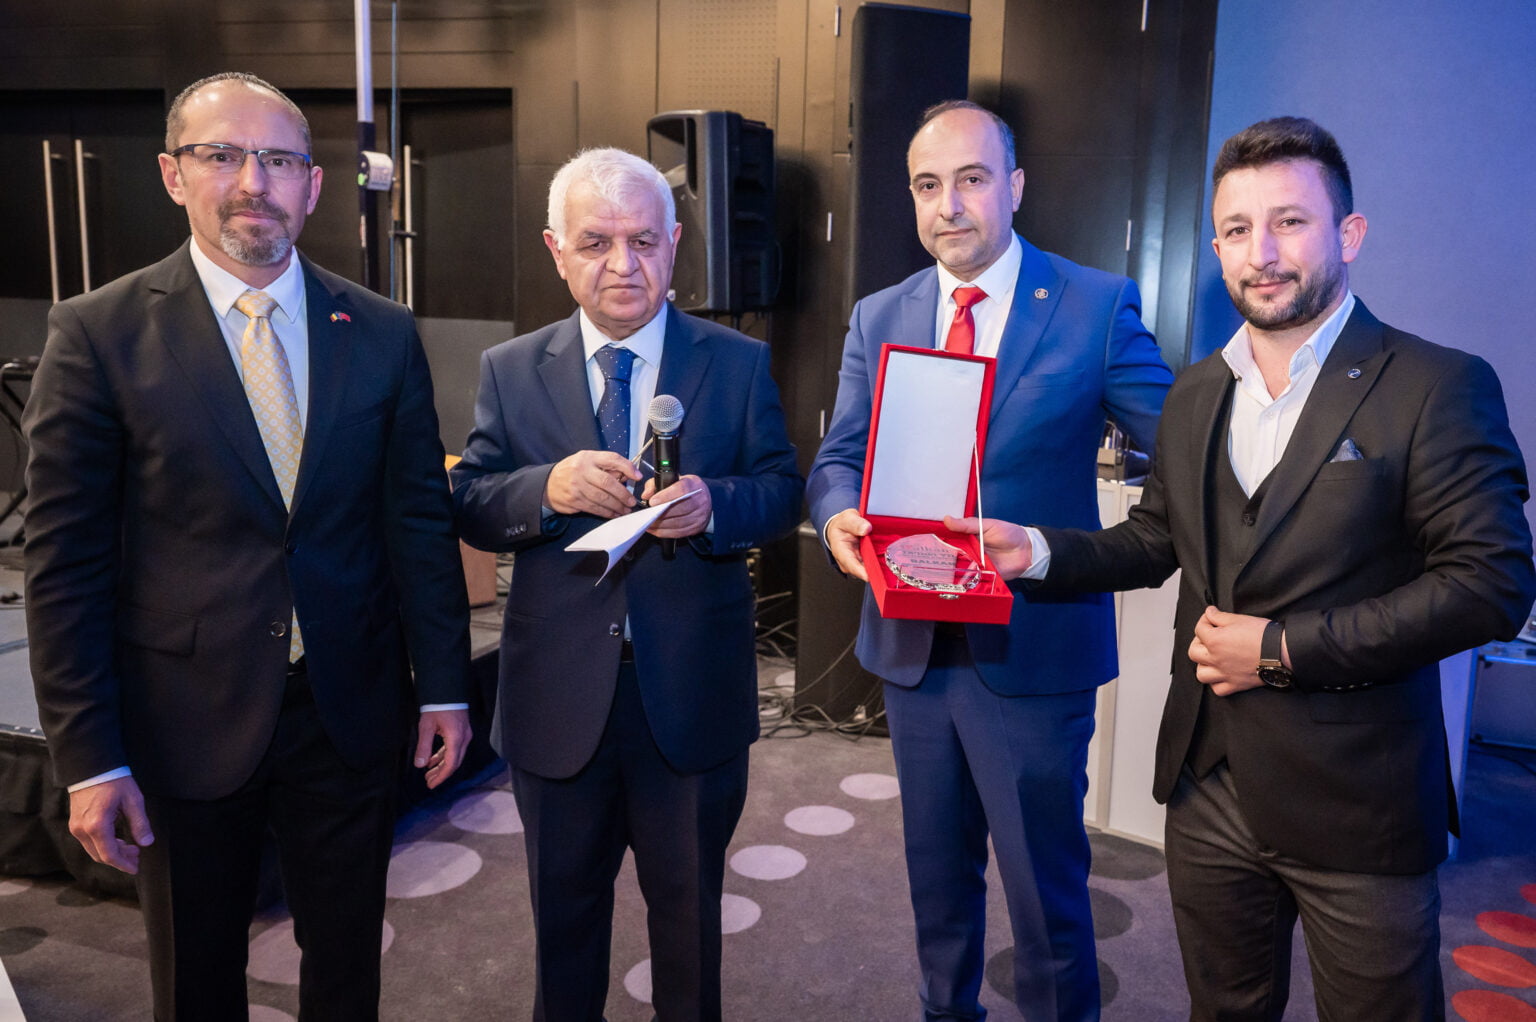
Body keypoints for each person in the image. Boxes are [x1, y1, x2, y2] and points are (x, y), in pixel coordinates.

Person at [946, 116, 1536, 1021]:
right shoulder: (1194, 392)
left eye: (1289, 222)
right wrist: (1040, 549)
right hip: (1208, 789)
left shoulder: (1437, 385)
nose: (1261, 252)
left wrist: (1280, 649)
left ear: (1349, 234)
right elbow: (1156, 542)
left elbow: (1490, 585)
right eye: (1236, 228)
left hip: (1359, 804)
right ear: (1216, 247)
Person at [23, 72, 473, 1020]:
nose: (251, 182)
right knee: (197, 980)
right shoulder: (98, 334)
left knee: (347, 968)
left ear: (313, 184)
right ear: (172, 174)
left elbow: (417, 526)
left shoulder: (381, 331)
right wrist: (90, 759)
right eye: (221, 155)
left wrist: (443, 686)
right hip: (181, 721)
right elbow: (65, 567)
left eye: (277, 160)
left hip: (348, 713)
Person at [806, 101, 1173, 1021]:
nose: (949, 206)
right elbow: (839, 455)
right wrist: (840, 514)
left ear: (1014, 186)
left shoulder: (1093, 305)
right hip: (913, 650)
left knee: (1046, 900)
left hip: (1033, 652)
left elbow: (1183, 444)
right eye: (928, 185)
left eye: (971, 180)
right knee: (936, 884)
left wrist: (1098, 551)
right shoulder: (880, 314)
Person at [450, 146, 802, 1022]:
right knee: (564, 934)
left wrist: (716, 505)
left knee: (689, 936)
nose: (622, 264)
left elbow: (781, 490)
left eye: (644, 241)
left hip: (690, 700)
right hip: (557, 701)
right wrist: (548, 488)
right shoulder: (509, 368)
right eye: (596, 242)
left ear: (674, 244)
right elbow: (472, 501)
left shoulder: (736, 362)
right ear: (556, 251)